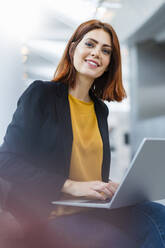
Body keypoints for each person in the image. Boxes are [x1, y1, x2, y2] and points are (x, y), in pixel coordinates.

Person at [0, 19, 165, 248]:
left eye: (105, 50)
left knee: (160, 218)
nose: (96, 53)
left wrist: (109, 186)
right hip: (51, 212)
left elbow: (84, 168)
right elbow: (5, 160)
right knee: (121, 242)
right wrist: (69, 185)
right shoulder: (42, 95)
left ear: (109, 63)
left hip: (94, 207)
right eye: (90, 44)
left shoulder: (100, 109)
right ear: (73, 49)